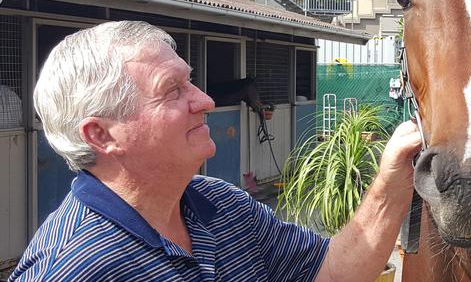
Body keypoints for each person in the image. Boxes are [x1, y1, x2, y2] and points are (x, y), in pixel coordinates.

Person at [10, 21, 421, 281]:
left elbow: (330, 274)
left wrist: (391, 183)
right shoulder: (75, 269)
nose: (205, 100)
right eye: (172, 91)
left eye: (189, 81)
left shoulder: (220, 204)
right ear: (101, 135)